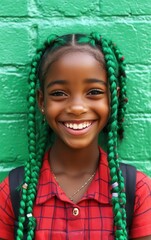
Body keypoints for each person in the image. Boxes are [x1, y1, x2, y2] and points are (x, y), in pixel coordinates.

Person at [0, 33, 151, 240]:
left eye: (94, 92)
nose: (77, 107)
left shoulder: (137, 191)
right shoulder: (16, 191)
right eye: (59, 93)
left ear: (113, 98)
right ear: (41, 101)